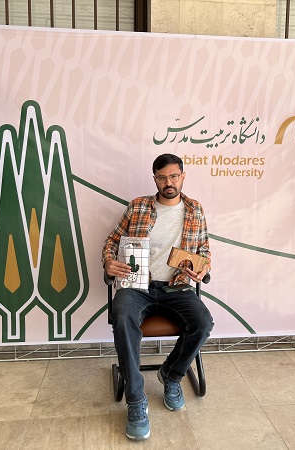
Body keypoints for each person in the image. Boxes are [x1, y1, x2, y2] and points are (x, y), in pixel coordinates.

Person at [102, 153, 214, 440]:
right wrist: (109, 261)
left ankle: (172, 375)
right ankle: (136, 400)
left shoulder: (195, 210)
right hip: (137, 287)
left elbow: (203, 250)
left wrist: (202, 269)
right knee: (122, 316)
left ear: (183, 176)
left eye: (174, 176)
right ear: (155, 179)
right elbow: (112, 240)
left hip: (177, 288)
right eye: (162, 178)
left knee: (203, 322)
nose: (168, 183)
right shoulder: (138, 206)